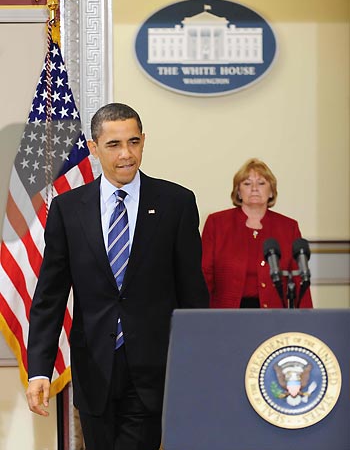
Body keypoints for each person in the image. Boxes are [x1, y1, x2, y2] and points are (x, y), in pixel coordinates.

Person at [26, 102, 209, 450]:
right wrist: (39, 370)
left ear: (143, 141)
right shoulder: (68, 210)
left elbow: (193, 295)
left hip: (153, 372)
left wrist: (197, 363)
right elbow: (50, 296)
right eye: (114, 145)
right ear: (94, 148)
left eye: (134, 142)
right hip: (93, 371)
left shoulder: (176, 203)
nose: (126, 154)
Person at [201, 158, 313, 309]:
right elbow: (204, 275)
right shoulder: (217, 223)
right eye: (247, 183)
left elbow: (299, 280)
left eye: (261, 183)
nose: (254, 188)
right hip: (225, 316)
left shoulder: (288, 227)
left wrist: (305, 324)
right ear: (238, 192)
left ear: (271, 190)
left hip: (274, 318)